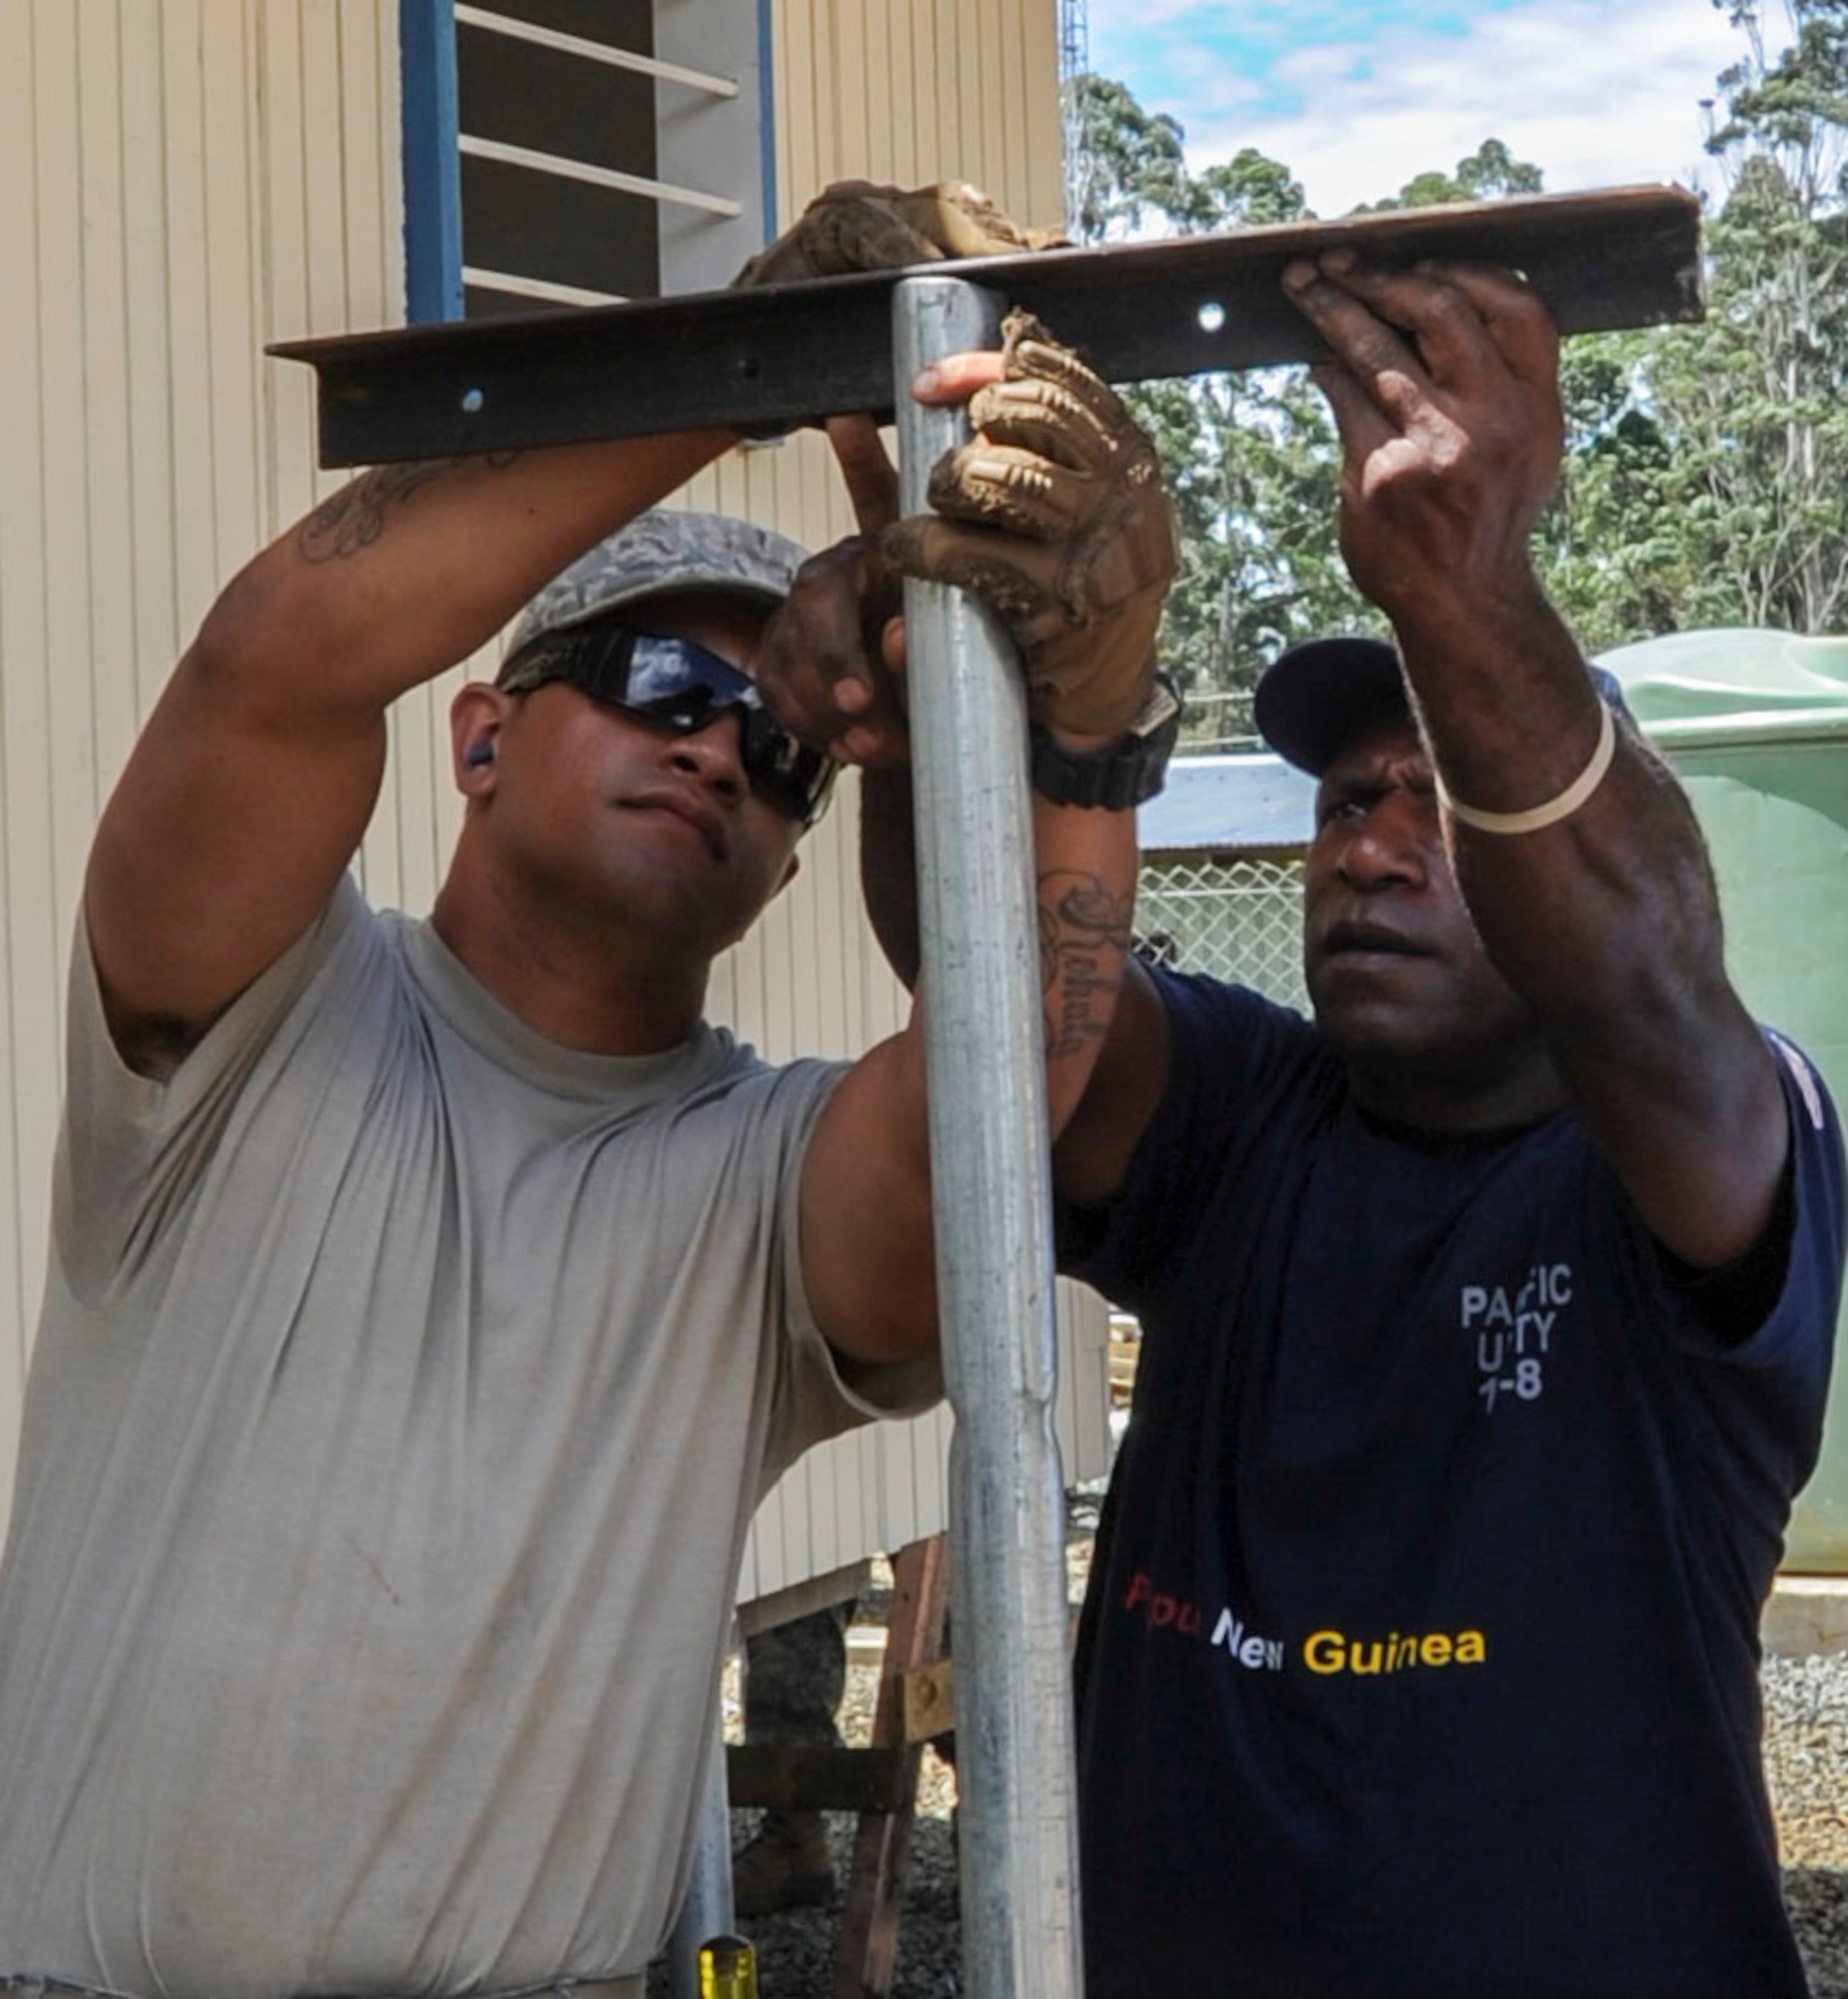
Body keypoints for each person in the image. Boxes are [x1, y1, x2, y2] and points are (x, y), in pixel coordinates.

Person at [0, 184, 1174, 1999]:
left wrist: (1076, 724)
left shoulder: (757, 1183)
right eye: (654, 682)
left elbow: (994, 1108)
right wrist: (741, 357)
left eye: (779, 748)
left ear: (793, 856)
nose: (718, 743)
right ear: (478, 734)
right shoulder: (250, 1025)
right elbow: (276, 660)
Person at [788, 251, 1846, 1995]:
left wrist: (1464, 582)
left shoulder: (1696, 1164)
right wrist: (967, 705)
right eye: (1349, 803)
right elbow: (1004, 1018)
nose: (1367, 845)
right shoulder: (1241, 1124)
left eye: (1441, 807)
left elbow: (1652, 980)